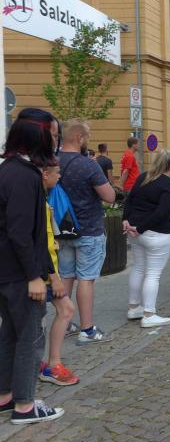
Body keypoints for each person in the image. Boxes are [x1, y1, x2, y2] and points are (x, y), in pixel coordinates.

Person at [0, 109, 67, 424]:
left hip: (8, 271)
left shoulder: (8, 169)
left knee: (10, 334)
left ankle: (5, 397)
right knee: (30, 336)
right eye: (52, 135)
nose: (54, 140)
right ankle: (25, 405)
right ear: (37, 136)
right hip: (19, 273)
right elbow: (21, 232)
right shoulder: (25, 176)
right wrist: (35, 276)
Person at [58, 119, 116, 345]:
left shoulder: (52, 161)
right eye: (87, 137)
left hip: (62, 229)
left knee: (66, 276)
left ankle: (64, 323)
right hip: (88, 229)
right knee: (86, 278)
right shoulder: (87, 165)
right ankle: (87, 329)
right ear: (79, 138)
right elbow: (109, 196)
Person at [123, 150, 170, 327]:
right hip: (155, 234)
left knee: (138, 268)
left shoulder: (143, 177)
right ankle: (149, 314)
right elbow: (162, 212)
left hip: (135, 231)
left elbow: (129, 201)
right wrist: (140, 228)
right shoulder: (169, 185)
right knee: (153, 274)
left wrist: (126, 221)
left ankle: (134, 307)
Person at [39, 160, 79, 386]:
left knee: (64, 310)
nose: (60, 176)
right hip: (43, 271)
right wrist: (53, 276)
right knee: (55, 314)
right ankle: (50, 365)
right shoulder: (36, 199)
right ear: (45, 174)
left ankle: (50, 363)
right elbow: (40, 241)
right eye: (57, 172)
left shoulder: (41, 197)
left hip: (46, 268)